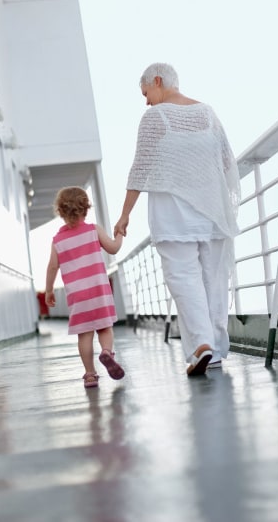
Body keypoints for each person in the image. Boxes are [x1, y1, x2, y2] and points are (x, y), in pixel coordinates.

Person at [114, 62, 240, 377]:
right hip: (210, 210)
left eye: (146, 93)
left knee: (183, 277)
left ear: (158, 81)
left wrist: (124, 215)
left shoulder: (155, 117)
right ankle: (214, 348)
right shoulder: (209, 114)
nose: (146, 101)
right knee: (213, 279)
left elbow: (140, 167)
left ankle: (201, 345)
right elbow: (226, 161)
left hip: (173, 213)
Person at [46, 186, 125, 388]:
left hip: (78, 296)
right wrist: (119, 234)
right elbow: (114, 248)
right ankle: (107, 352)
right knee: (105, 327)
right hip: (98, 290)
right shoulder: (93, 230)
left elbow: (53, 266)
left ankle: (90, 374)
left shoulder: (58, 241)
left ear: (61, 212)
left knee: (85, 334)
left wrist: (48, 291)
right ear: (86, 209)